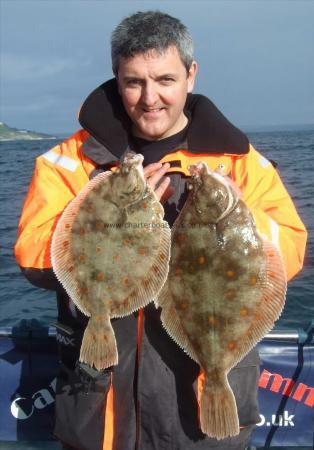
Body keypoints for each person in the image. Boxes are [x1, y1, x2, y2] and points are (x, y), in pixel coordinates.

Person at [14, 10, 307, 450]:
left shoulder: (241, 163)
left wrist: (236, 213)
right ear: (117, 80)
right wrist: (109, 206)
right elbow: (32, 254)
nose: (150, 98)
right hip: (101, 404)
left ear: (191, 75)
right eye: (134, 82)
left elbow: (291, 252)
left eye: (165, 80)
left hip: (196, 401)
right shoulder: (71, 161)